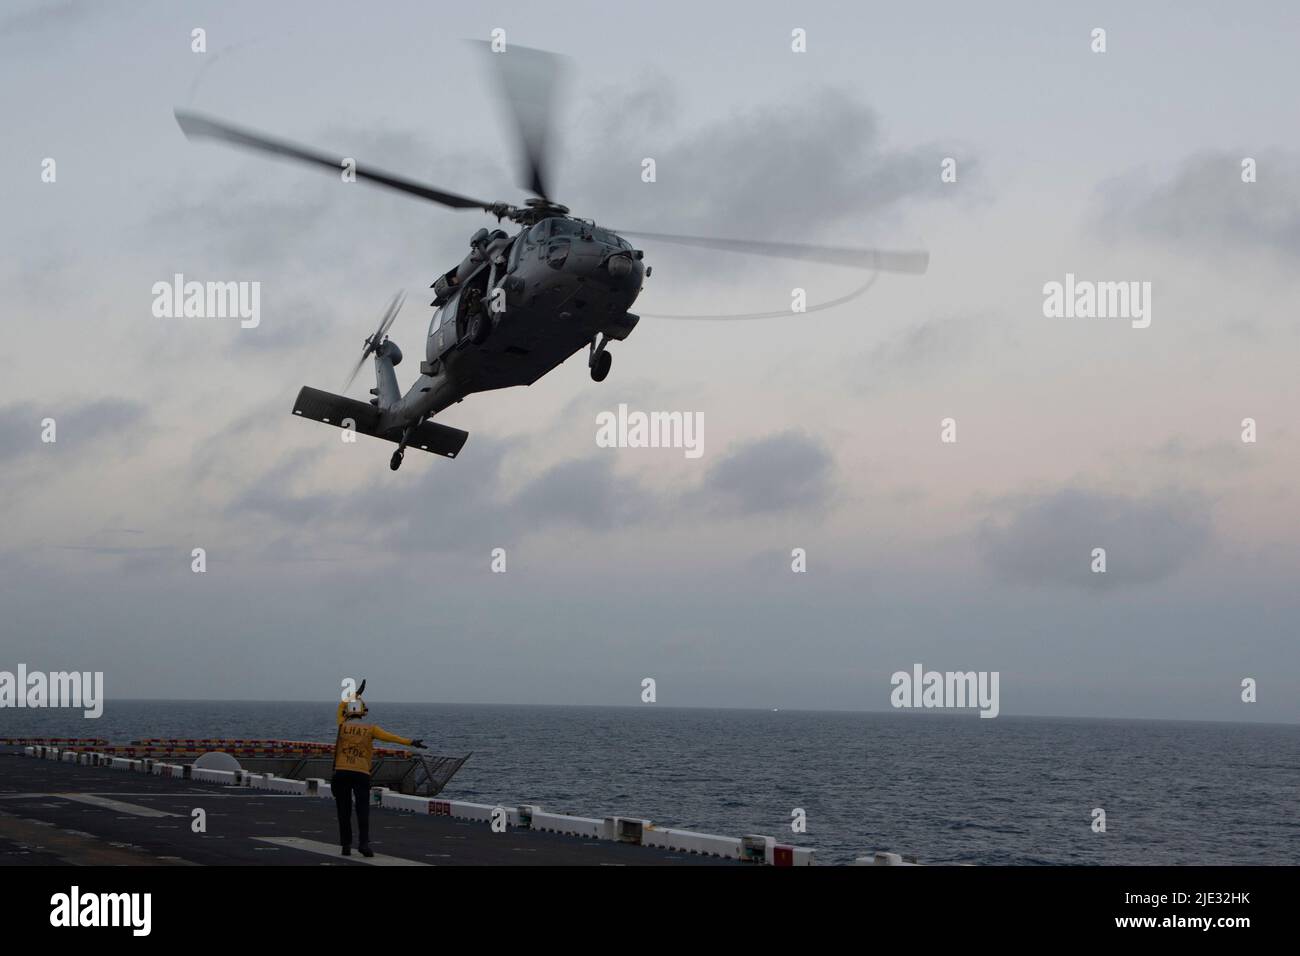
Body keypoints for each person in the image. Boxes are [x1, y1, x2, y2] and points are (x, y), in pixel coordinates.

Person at [331, 685, 426, 857]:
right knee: (362, 809)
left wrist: (355, 694)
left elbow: (340, 706)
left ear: (348, 712)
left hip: (342, 771)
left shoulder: (342, 726)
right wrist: (411, 742)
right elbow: (391, 737)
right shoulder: (370, 728)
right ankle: (364, 844)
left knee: (343, 811)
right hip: (361, 773)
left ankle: (345, 846)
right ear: (364, 712)